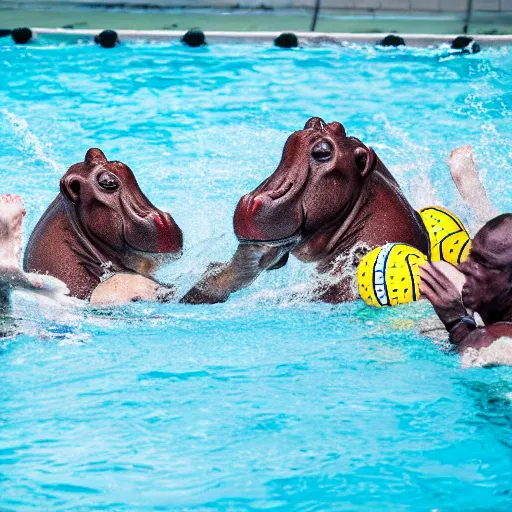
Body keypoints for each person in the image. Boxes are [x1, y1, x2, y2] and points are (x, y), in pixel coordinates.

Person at [420, 213, 512, 355]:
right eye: (471, 255)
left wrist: (457, 324)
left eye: (481, 262)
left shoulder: (501, 347)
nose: (463, 267)